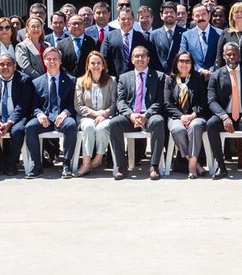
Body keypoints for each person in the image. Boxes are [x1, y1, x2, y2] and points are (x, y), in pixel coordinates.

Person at [109, 46, 167, 180]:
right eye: (137, 56)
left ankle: (154, 166)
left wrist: (146, 115)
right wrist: (131, 115)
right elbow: (120, 101)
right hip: (131, 116)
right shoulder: (123, 78)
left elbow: (160, 101)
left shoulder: (159, 76)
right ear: (132, 59)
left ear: (148, 59)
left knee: (159, 121)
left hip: (150, 116)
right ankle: (122, 167)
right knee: (114, 123)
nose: (140, 59)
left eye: (143, 56)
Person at [206, 41, 242, 180]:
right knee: (211, 124)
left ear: (239, 56)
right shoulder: (216, 75)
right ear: (224, 56)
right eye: (228, 54)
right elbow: (211, 101)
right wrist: (224, 116)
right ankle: (221, 166)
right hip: (224, 116)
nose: (232, 57)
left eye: (234, 54)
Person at [25, 47, 78, 178]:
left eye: (55, 59)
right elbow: (33, 105)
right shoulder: (36, 82)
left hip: (63, 117)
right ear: (44, 61)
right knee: (30, 127)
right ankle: (37, 165)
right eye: (48, 59)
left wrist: (65, 113)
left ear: (60, 61)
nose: (52, 61)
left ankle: (66, 164)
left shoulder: (71, 80)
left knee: (71, 125)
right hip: (45, 118)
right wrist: (40, 114)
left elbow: (74, 104)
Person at [0, 51, 36, 177]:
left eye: (8, 64)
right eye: (2, 64)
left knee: (17, 132)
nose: (5, 67)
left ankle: (12, 163)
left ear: (15, 66)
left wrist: (10, 122)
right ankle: (1, 162)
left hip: (17, 117)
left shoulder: (24, 80)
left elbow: (22, 105)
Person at [73, 49, 119, 177]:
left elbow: (115, 103)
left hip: (106, 116)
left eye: (98, 63)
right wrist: (96, 114)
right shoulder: (80, 81)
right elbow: (78, 105)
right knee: (88, 127)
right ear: (88, 65)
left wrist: (104, 114)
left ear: (103, 65)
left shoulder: (111, 80)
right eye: (92, 63)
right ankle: (86, 162)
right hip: (86, 117)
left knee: (102, 128)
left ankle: (98, 158)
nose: (95, 66)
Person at [164, 50, 209, 178]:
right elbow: (168, 103)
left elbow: (203, 101)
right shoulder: (170, 79)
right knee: (178, 130)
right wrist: (181, 116)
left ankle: (191, 166)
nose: (184, 64)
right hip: (177, 117)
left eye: (187, 61)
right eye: (181, 61)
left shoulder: (198, 78)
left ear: (192, 63)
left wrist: (193, 115)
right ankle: (196, 164)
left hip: (196, 116)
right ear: (176, 63)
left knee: (194, 127)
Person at [179, 4, 220, 76]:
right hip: (194, 77)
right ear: (193, 18)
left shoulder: (220, 33)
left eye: (204, 14)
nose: (201, 18)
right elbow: (183, 55)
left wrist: (211, 70)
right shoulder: (186, 35)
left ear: (209, 15)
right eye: (197, 15)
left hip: (215, 76)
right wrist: (199, 70)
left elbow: (221, 56)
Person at [150, 2, 185, 73]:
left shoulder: (185, 33)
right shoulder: (154, 35)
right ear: (161, 15)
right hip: (161, 76)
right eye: (166, 12)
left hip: (180, 74)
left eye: (171, 12)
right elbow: (152, 59)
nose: (169, 14)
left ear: (176, 15)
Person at [15, 16, 51, 80]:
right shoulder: (22, 46)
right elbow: (26, 68)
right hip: (34, 82)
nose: (36, 29)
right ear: (28, 28)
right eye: (33, 26)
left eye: (38, 26)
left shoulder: (47, 45)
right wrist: (41, 79)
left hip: (49, 80)